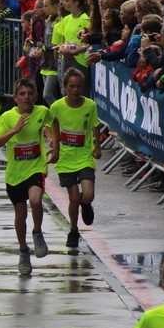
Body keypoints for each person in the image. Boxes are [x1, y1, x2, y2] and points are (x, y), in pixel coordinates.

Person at [0, 79, 54, 277]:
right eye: (23, 94)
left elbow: (53, 122)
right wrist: (14, 131)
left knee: (35, 200)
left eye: (30, 93)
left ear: (35, 96)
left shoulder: (42, 111)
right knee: (20, 214)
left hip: (36, 167)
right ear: (16, 97)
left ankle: (37, 231)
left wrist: (53, 140)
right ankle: (23, 250)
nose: (27, 97)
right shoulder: (7, 117)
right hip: (15, 174)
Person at [48, 67, 100, 249]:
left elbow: (95, 126)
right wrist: (53, 142)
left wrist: (97, 147)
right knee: (74, 198)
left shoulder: (90, 106)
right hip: (65, 158)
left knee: (88, 194)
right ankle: (73, 230)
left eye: (78, 86)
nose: (75, 90)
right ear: (65, 87)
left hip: (84, 155)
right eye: (72, 87)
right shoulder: (57, 107)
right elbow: (48, 123)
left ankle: (87, 205)